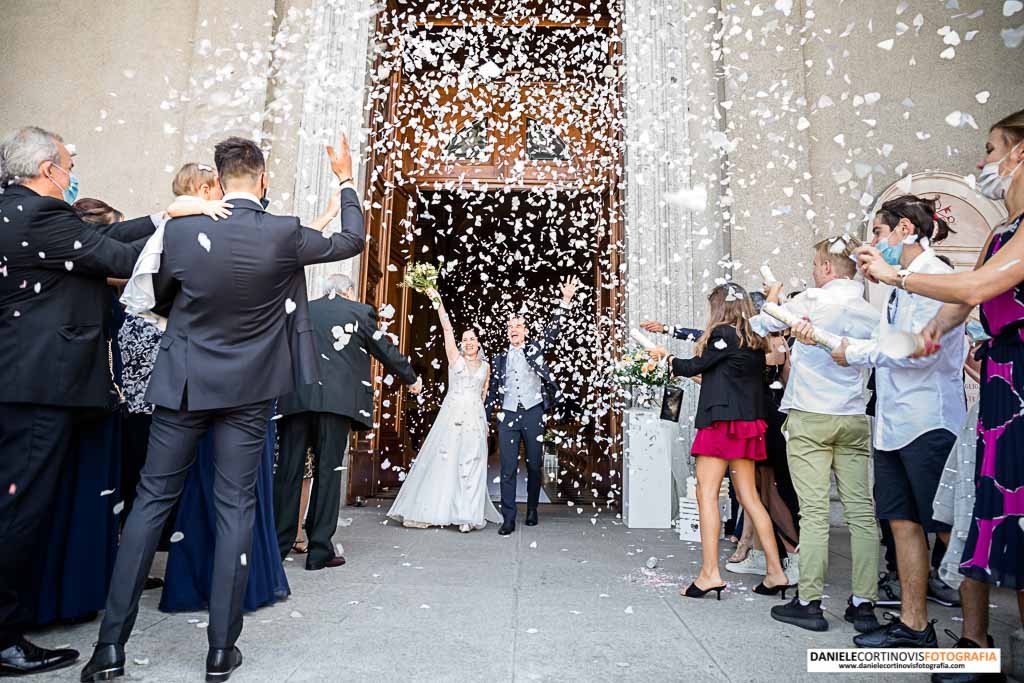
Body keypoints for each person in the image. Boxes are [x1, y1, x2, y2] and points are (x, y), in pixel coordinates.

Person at [80, 133, 364, 683]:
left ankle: (109, 648)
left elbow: (159, 294)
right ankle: (219, 652)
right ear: (261, 179)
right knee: (236, 508)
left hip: (184, 382)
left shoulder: (184, 230)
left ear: (219, 175)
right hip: (250, 391)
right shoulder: (282, 232)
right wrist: (346, 177)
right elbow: (351, 237)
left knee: (149, 506)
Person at [854, 109, 1024, 681]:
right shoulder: (1002, 232)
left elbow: (969, 291)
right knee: (978, 518)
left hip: (958, 405)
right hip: (987, 390)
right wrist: (930, 331)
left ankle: (975, 647)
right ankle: (947, 637)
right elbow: (956, 312)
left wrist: (885, 296)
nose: (984, 162)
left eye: (992, 148)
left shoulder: (922, 269)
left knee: (983, 520)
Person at [0, 126, 164, 676]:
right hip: (37, 388)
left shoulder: (17, 211)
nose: (73, 177)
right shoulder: (41, 215)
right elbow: (112, 253)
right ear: (48, 169)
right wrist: (180, 229)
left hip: (22, 382)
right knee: (18, 511)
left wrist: (165, 217)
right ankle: (2, 636)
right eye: (69, 167)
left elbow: (100, 236)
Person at [796, 194, 966, 649]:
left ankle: (974, 636)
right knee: (902, 522)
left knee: (951, 527)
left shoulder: (937, 278)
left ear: (905, 230)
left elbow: (915, 349)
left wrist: (852, 351)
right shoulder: (896, 287)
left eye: (877, 232)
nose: (872, 242)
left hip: (929, 420)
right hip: (893, 422)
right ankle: (914, 624)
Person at [749, 236, 881, 633]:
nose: (811, 272)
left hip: (811, 414)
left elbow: (761, 323)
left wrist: (773, 296)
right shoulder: (871, 311)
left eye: (814, 265)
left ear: (826, 268)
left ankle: (809, 601)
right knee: (861, 512)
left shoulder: (811, 301)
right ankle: (864, 603)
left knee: (815, 513)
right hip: (854, 415)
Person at [648, 284, 790, 600]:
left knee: (706, 494)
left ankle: (710, 573)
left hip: (722, 424)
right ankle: (776, 571)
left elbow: (693, 366)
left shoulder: (723, 333)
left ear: (720, 307)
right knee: (750, 498)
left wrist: (666, 357)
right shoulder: (754, 339)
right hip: (748, 423)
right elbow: (718, 373)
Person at [28, 199, 129, 629]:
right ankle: (73, 592)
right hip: (91, 393)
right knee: (83, 494)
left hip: (90, 390)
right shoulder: (87, 283)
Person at [277, 273, 422, 565]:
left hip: (296, 399)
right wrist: (410, 378)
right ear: (348, 291)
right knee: (328, 473)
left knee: (288, 474)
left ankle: (276, 547)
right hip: (335, 403)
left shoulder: (301, 308)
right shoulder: (358, 311)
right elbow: (385, 348)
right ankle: (319, 550)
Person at [388, 288, 500, 531]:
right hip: (452, 416)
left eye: (473, 339)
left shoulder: (486, 366)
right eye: (465, 339)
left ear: (478, 343)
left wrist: (485, 421)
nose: (469, 343)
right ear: (460, 344)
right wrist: (437, 301)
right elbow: (447, 329)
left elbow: (483, 395)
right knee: (447, 461)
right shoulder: (454, 359)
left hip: (475, 418)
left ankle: (467, 516)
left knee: (472, 463)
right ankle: (438, 508)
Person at [485, 277, 580, 534]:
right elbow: (493, 390)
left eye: (518, 325)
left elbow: (554, 330)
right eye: (510, 326)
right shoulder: (500, 358)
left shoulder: (536, 349)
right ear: (507, 332)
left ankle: (534, 509)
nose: (514, 329)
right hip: (507, 414)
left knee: (535, 464)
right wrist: (485, 416)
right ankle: (508, 517)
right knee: (507, 468)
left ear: (526, 331)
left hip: (533, 412)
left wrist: (566, 300)